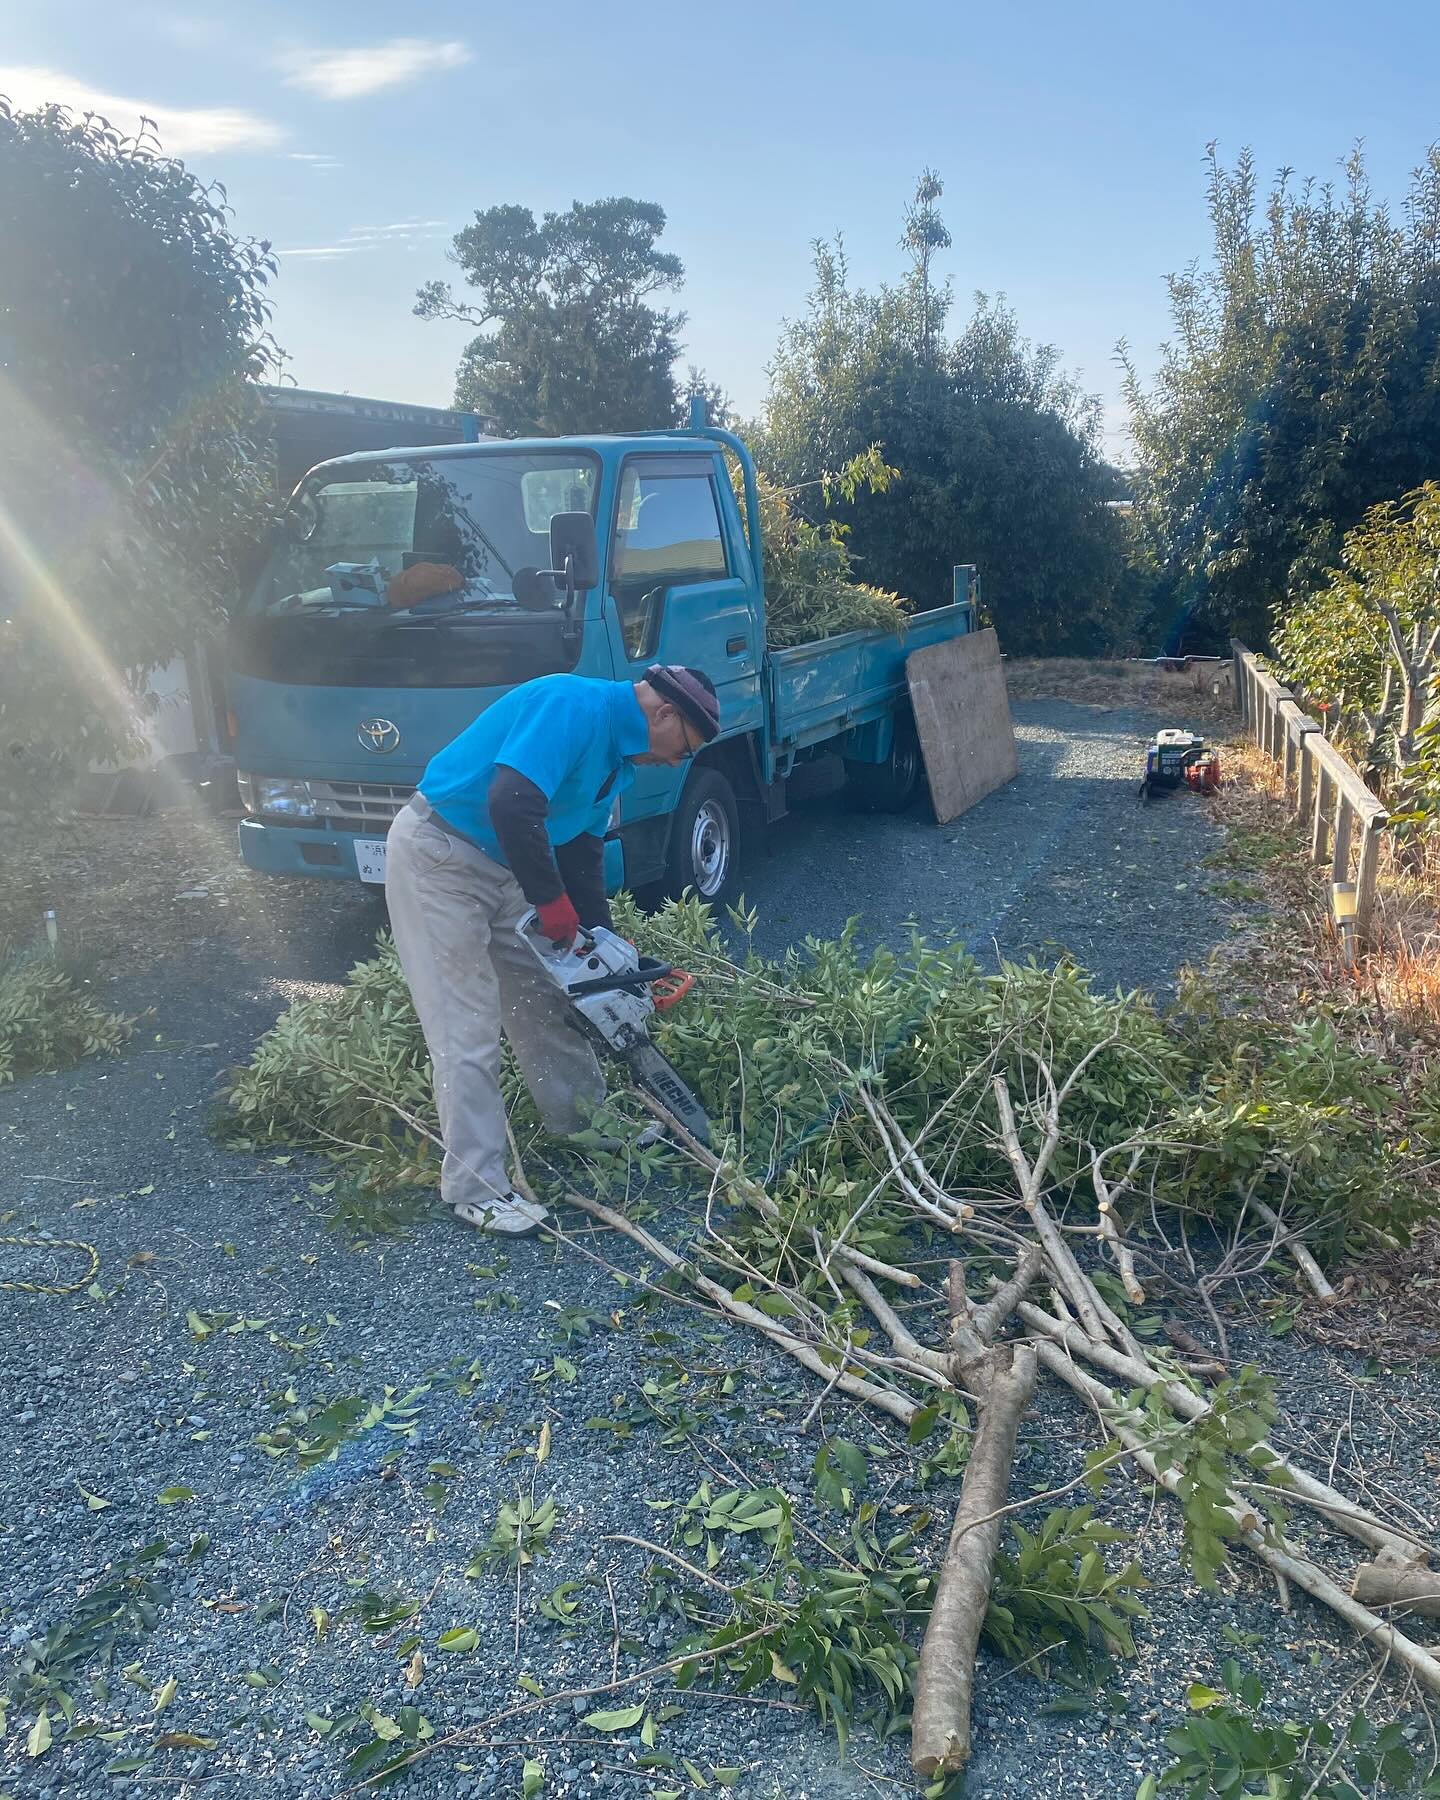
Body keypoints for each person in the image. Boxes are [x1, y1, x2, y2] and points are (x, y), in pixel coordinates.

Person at [385, 665, 721, 1237]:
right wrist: (551, 902)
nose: (672, 762)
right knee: (465, 1022)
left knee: (548, 999)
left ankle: (585, 1124)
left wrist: (600, 949)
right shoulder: (571, 704)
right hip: (440, 855)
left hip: (506, 865)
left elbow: (582, 850)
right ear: (665, 714)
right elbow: (512, 802)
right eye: (681, 749)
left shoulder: (617, 764)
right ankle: (477, 1187)